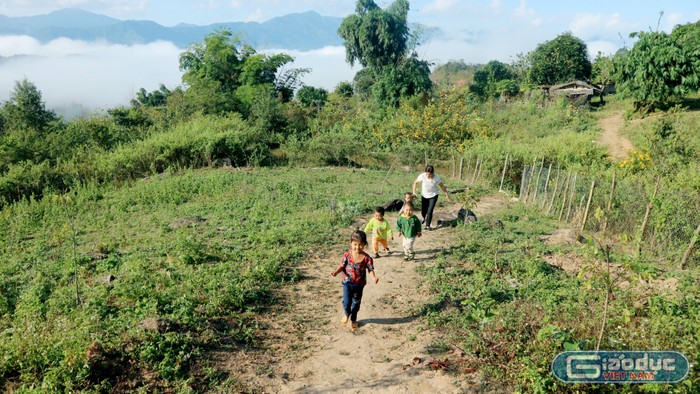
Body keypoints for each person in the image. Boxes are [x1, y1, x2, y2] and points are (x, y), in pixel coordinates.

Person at [330, 229, 379, 330]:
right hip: (347, 283)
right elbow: (342, 266)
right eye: (355, 244)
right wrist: (336, 272)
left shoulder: (367, 258)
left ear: (365, 244)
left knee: (356, 304)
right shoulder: (347, 255)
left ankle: (353, 319)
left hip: (359, 285)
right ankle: (347, 314)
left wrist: (373, 277)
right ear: (351, 243)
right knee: (347, 303)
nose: (357, 247)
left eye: (360, 244)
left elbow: (370, 269)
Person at [412, 164, 452, 230]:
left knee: (430, 210)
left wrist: (446, 194)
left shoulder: (437, 177)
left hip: (433, 195)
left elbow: (442, 186)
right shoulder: (422, 176)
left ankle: (427, 225)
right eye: (427, 174)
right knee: (424, 210)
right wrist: (414, 192)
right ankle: (423, 218)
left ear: (433, 173)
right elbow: (415, 183)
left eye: (430, 174)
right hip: (424, 195)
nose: (428, 176)